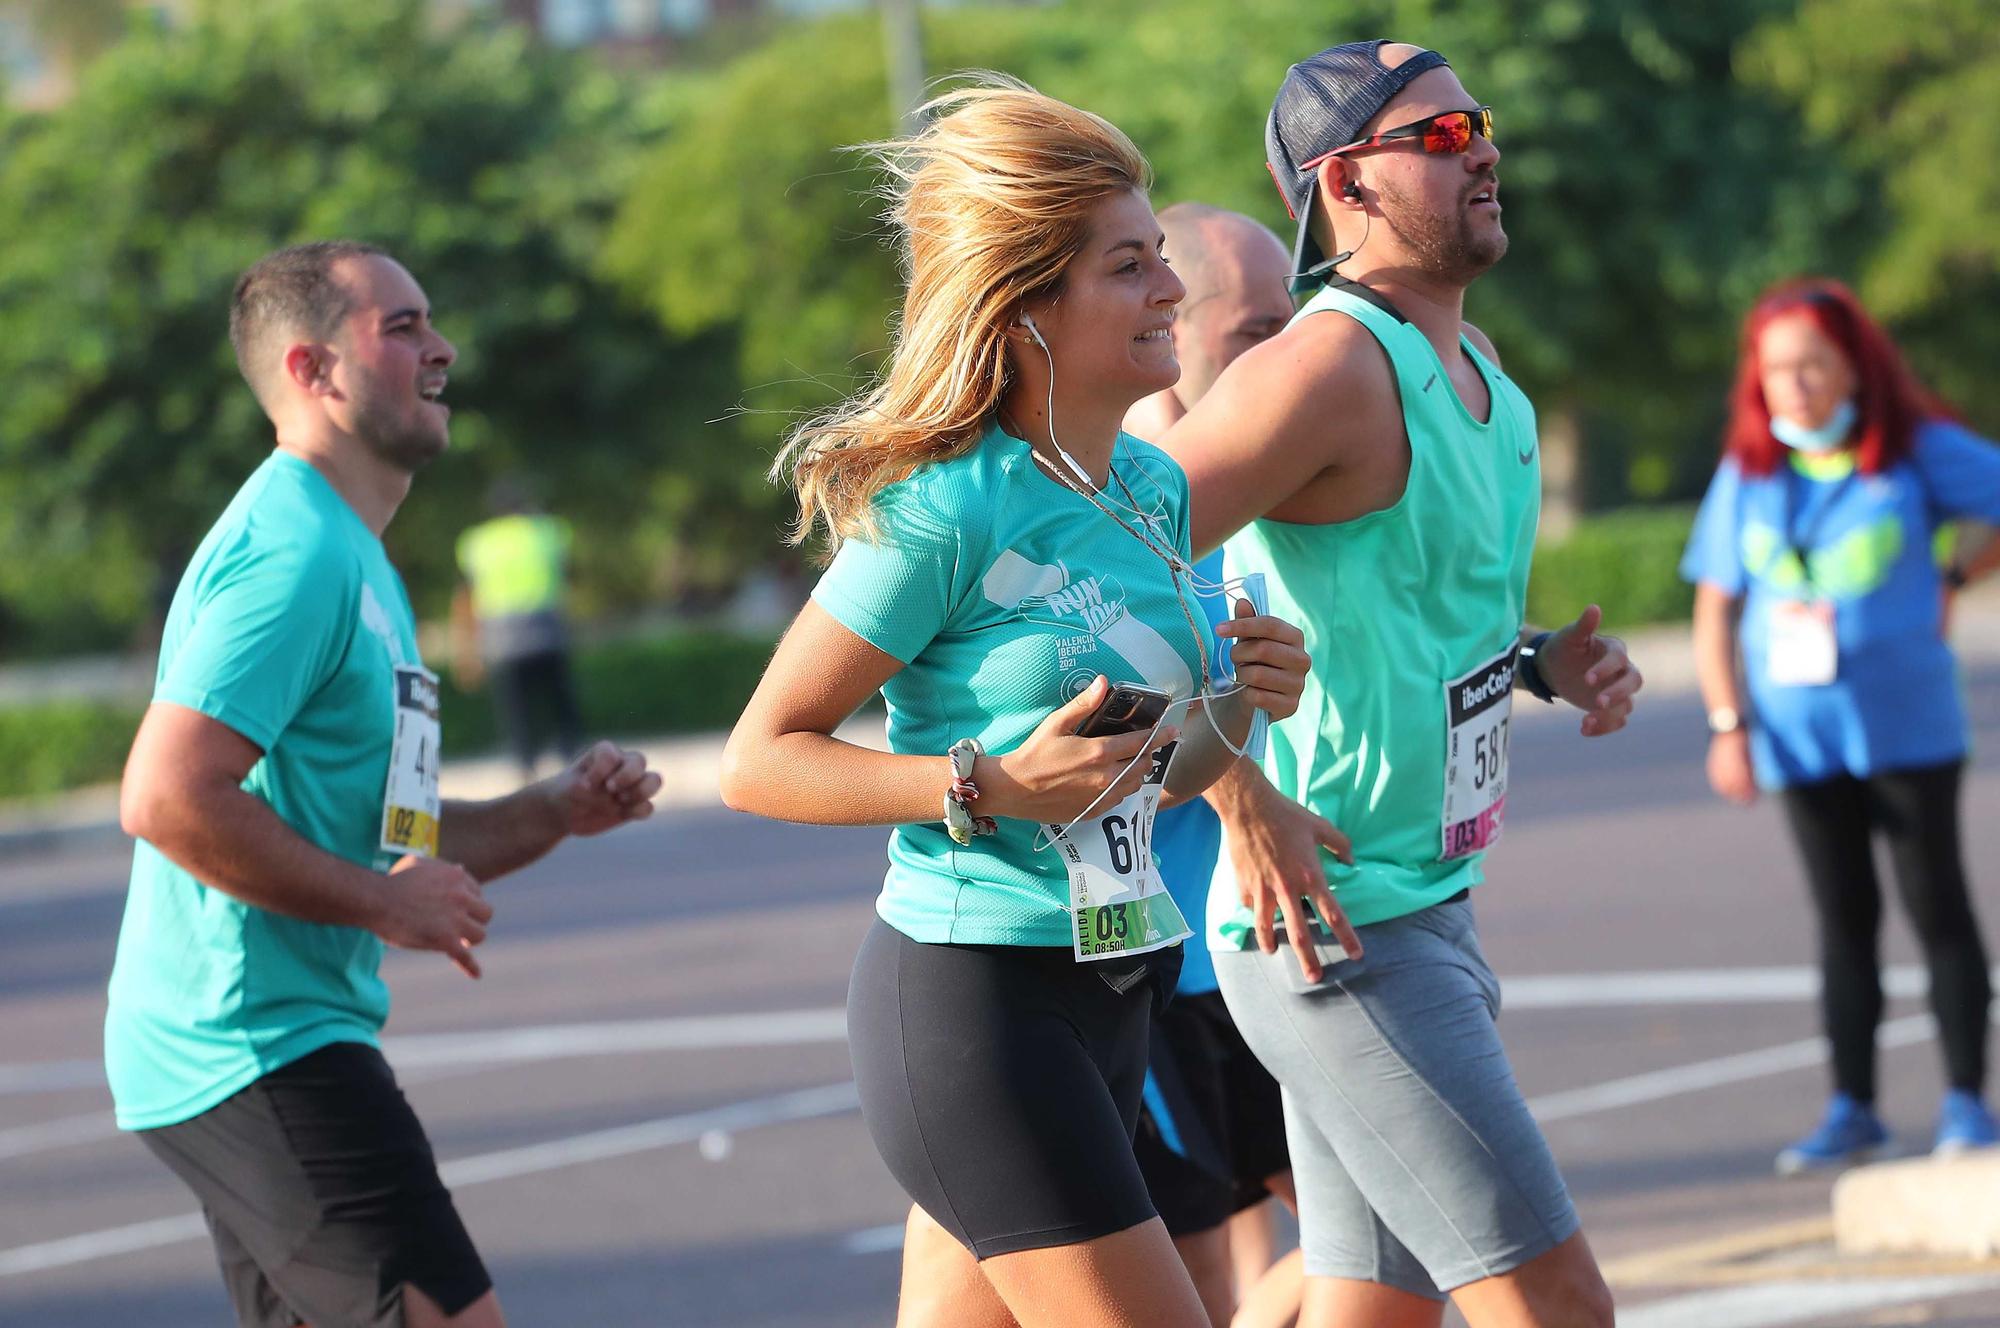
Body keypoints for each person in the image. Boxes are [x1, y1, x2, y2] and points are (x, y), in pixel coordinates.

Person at [719, 82, 1314, 1328]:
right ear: (1029, 304)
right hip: (976, 1005)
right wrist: (977, 784)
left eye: (1163, 261)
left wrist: (1244, 705)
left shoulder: (1148, 486)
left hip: (1118, 982)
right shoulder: (950, 506)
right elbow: (759, 758)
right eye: (1130, 266)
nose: (1170, 293)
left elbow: (1152, 770)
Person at [1161, 40, 1641, 1328]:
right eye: (1433, 135)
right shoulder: (1322, 366)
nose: (1480, 146)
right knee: (1555, 1304)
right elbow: (1103, 571)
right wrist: (1231, 795)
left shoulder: (1491, 387)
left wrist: (1540, 659)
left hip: (1428, 901)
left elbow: (1414, 609)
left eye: (1475, 121)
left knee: (1373, 1311)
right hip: (1335, 928)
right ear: (1342, 186)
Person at [108, 241, 663, 1328]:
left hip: (270, 1035)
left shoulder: (352, 553)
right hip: (253, 1040)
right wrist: (383, 904)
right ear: (313, 371)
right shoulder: (293, 555)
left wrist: (554, 809)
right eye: (401, 327)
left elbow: (388, 837)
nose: (441, 347)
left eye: (430, 322)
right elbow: (166, 796)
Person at [1683, 277, 2000, 1171]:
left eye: (1814, 365)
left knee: (1938, 907)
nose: (1797, 385)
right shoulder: (1748, 471)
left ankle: (1968, 1104)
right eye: (1779, 369)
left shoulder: (1913, 450)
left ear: (1854, 366)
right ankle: (1852, 1109)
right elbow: (1715, 607)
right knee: (1843, 919)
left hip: (1910, 728)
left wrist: (1957, 578)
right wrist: (1728, 723)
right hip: (1797, 735)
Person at [1124, 203, 1303, 1328]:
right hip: (1166, 956)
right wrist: (1241, 790)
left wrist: (1533, 663)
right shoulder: (1126, 493)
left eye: (1293, 322)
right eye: (1252, 334)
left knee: (1361, 1222)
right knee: (1193, 1275)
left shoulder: (1294, 461)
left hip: (1290, 923)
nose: (1286, 355)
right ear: (1168, 328)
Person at [452, 480, 584, 778]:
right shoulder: (549, 531)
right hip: (547, 633)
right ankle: (572, 760)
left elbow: (466, 596)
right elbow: (567, 577)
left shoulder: (477, 542)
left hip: (502, 640)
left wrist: (466, 652)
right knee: (560, 703)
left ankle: (526, 767)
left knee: (517, 711)